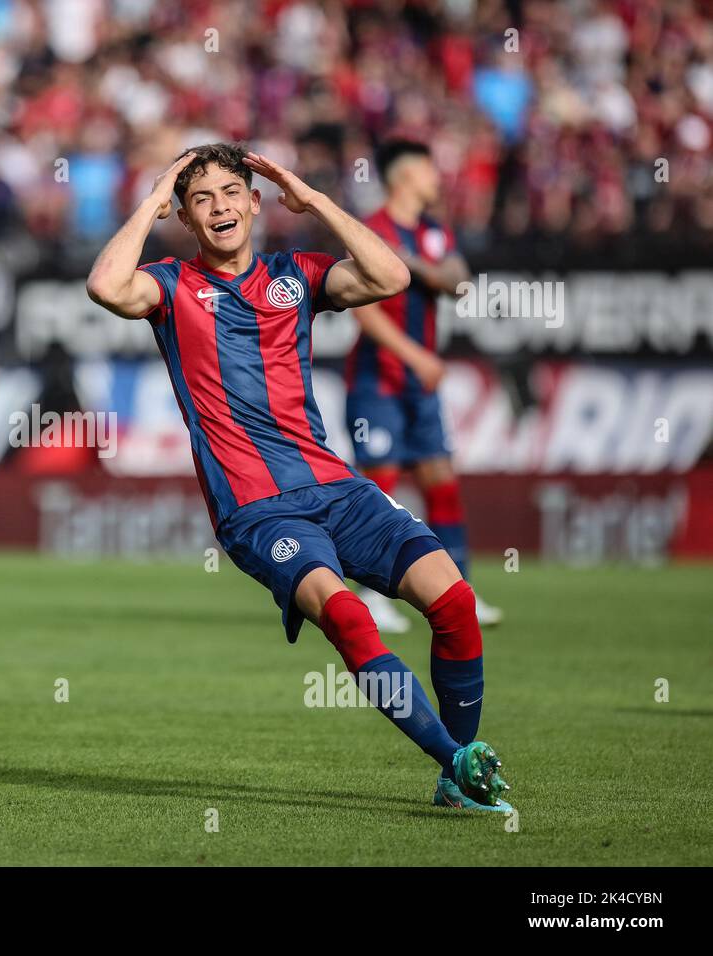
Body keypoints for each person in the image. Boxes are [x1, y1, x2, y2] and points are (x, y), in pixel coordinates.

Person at [85, 143, 510, 811]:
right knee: (345, 615)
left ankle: (455, 776)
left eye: (232, 192)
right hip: (257, 510)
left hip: (338, 489)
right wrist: (153, 197)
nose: (221, 206)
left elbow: (390, 276)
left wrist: (313, 200)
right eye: (202, 199)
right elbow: (107, 285)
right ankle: (455, 759)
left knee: (454, 603)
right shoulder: (171, 287)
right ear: (186, 219)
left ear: (256, 202)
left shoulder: (296, 275)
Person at [345, 140, 503, 634]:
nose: (438, 178)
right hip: (379, 379)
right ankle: (371, 595)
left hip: (420, 384)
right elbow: (363, 311)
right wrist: (416, 355)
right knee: (381, 483)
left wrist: (418, 267)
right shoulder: (372, 232)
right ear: (405, 176)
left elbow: (458, 280)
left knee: (440, 478)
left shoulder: (433, 232)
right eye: (430, 170)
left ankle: (458, 590)